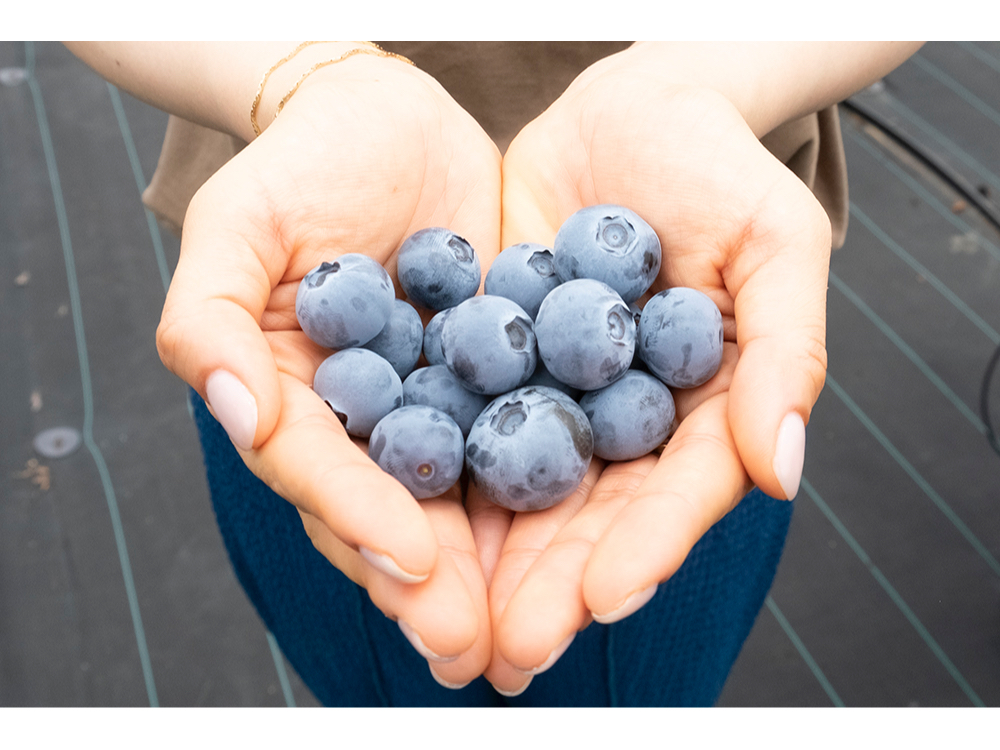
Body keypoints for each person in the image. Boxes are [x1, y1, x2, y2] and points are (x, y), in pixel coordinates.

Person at [66, 41, 923, 705]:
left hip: (705, 290)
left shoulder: (634, 352)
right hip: (292, 320)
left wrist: (697, 77)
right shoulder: (380, 351)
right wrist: (304, 75)